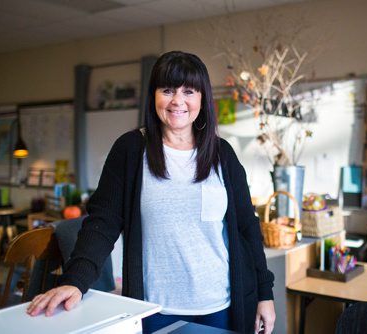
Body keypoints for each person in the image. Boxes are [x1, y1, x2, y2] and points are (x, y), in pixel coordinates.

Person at [26, 51, 276, 334]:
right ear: (153, 96)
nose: (177, 101)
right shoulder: (131, 150)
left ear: (202, 99)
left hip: (221, 306)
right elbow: (102, 223)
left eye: (189, 91)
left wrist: (264, 294)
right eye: (167, 89)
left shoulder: (223, 155)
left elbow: (247, 227)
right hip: (154, 310)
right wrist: (75, 280)